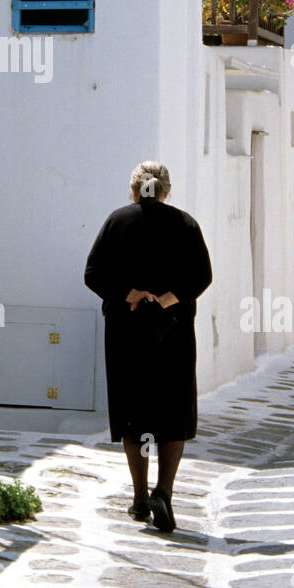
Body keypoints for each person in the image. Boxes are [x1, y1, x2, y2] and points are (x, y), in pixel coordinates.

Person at [84, 161, 212, 533]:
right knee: (173, 413)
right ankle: (164, 493)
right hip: (173, 333)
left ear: (134, 189)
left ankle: (139, 498)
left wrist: (131, 295)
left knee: (134, 415)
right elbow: (202, 275)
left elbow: (92, 274)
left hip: (127, 334)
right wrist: (168, 298)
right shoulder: (185, 224)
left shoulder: (117, 221)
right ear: (167, 190)